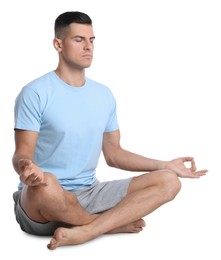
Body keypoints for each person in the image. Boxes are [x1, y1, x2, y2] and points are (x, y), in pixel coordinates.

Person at [12, 11, 208, 250]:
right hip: (42, 201)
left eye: (91, 40)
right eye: (78, 39)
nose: (88, 47)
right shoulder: (35, 92)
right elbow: (22, 153)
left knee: (169, 181)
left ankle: (87, 230)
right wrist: (26, 167)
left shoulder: (103, 95)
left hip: (89, 193)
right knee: (48, 184)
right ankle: (108, 226)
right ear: (58, 44)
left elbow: (114, 154)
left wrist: (164, 165)